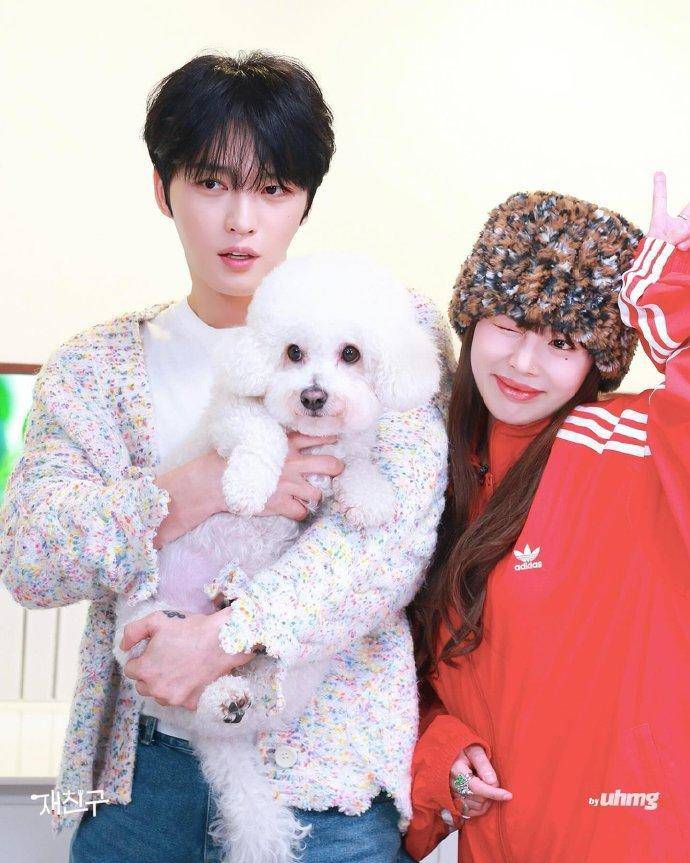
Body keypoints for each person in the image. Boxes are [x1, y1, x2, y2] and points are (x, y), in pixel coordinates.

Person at [0, 51, 451, 862]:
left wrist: (228, 635)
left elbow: (393, 540)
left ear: (305, 200)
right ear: (162, 187)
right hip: (142, 778)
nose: (241, 219)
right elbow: (32, 558)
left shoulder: (381, 324)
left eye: (272, 189)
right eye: (211, 182)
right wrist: (196, 487)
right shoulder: (96, 366)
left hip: (328, 773)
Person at [404, 176, 690, 863]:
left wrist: (670, 295)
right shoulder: (423, 466)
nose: (523, 363)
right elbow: (387, 664)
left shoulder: (634, 447)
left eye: (562, 340)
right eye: (507, 324)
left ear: (598, 359)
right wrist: (439, 749)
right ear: (472, 320)